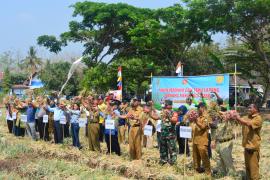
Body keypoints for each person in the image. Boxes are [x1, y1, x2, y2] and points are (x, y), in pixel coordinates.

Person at [234, 104, 262, 180]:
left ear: (255, 109)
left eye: (250, 108)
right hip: (246, 146)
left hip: (253, 148)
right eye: (248, 108)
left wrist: (238, 118)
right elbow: (240, 121)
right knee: (248, 168)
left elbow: (248, 124)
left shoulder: (258, 118)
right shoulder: (247, 117)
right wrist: (234, 116)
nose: (248, 109)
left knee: (254, 170)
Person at [212, 109, 236, 176]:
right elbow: (216, 133)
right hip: (219, 143)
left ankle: (232, 175)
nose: (222, 116)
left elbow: (232, 114)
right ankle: (222, 173)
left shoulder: (230, 121)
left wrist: (225, 113)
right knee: (219, 160)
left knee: (227, 160)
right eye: (222, 115)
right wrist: (214, 141)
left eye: (224, 114)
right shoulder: (219, 122)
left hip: (226, 143)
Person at [192, 102, 211, 175]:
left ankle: (208, 172)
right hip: (195, 140)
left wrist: (196, 121)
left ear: (202, 108)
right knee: (195, 157)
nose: (197, 109)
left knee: (204, 157)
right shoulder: (197, 117)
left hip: (202, 141)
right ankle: (197, 170)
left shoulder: (206, 117)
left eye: (198, 107)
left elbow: (203, 127)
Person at [159, 100, 177, 165]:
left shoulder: (174, 112)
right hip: (163, 133)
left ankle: (173, 162)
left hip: (170, 134)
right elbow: (157, 117)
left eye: (166, 105)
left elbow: (174, 121)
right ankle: (163, 160)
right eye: (165, 105)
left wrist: (168, 115)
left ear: (170, 105)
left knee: (172, 148)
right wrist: (149, 113)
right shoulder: (162, 112)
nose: (165, 106)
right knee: (163, 147)